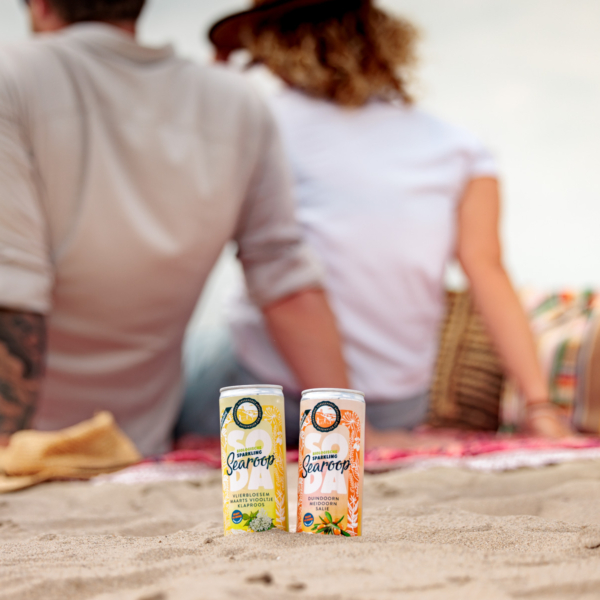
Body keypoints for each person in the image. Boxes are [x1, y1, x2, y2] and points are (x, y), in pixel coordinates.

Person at [178, 0, 571, 442]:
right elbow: (487, 270)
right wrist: (538, 405)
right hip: (396, 405)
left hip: (277, 396)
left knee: (194, 349)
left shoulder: (261, 121)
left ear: (272, 46)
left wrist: (219, 76)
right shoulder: (459, 147)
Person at [0, 0, 350, 455]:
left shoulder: (13, 77)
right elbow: (285, 279)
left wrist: (9, 453)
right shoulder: (237, 102)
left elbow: (11, 295)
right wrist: (344, 433)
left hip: (30, 440)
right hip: (135, 440)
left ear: (41, 6)